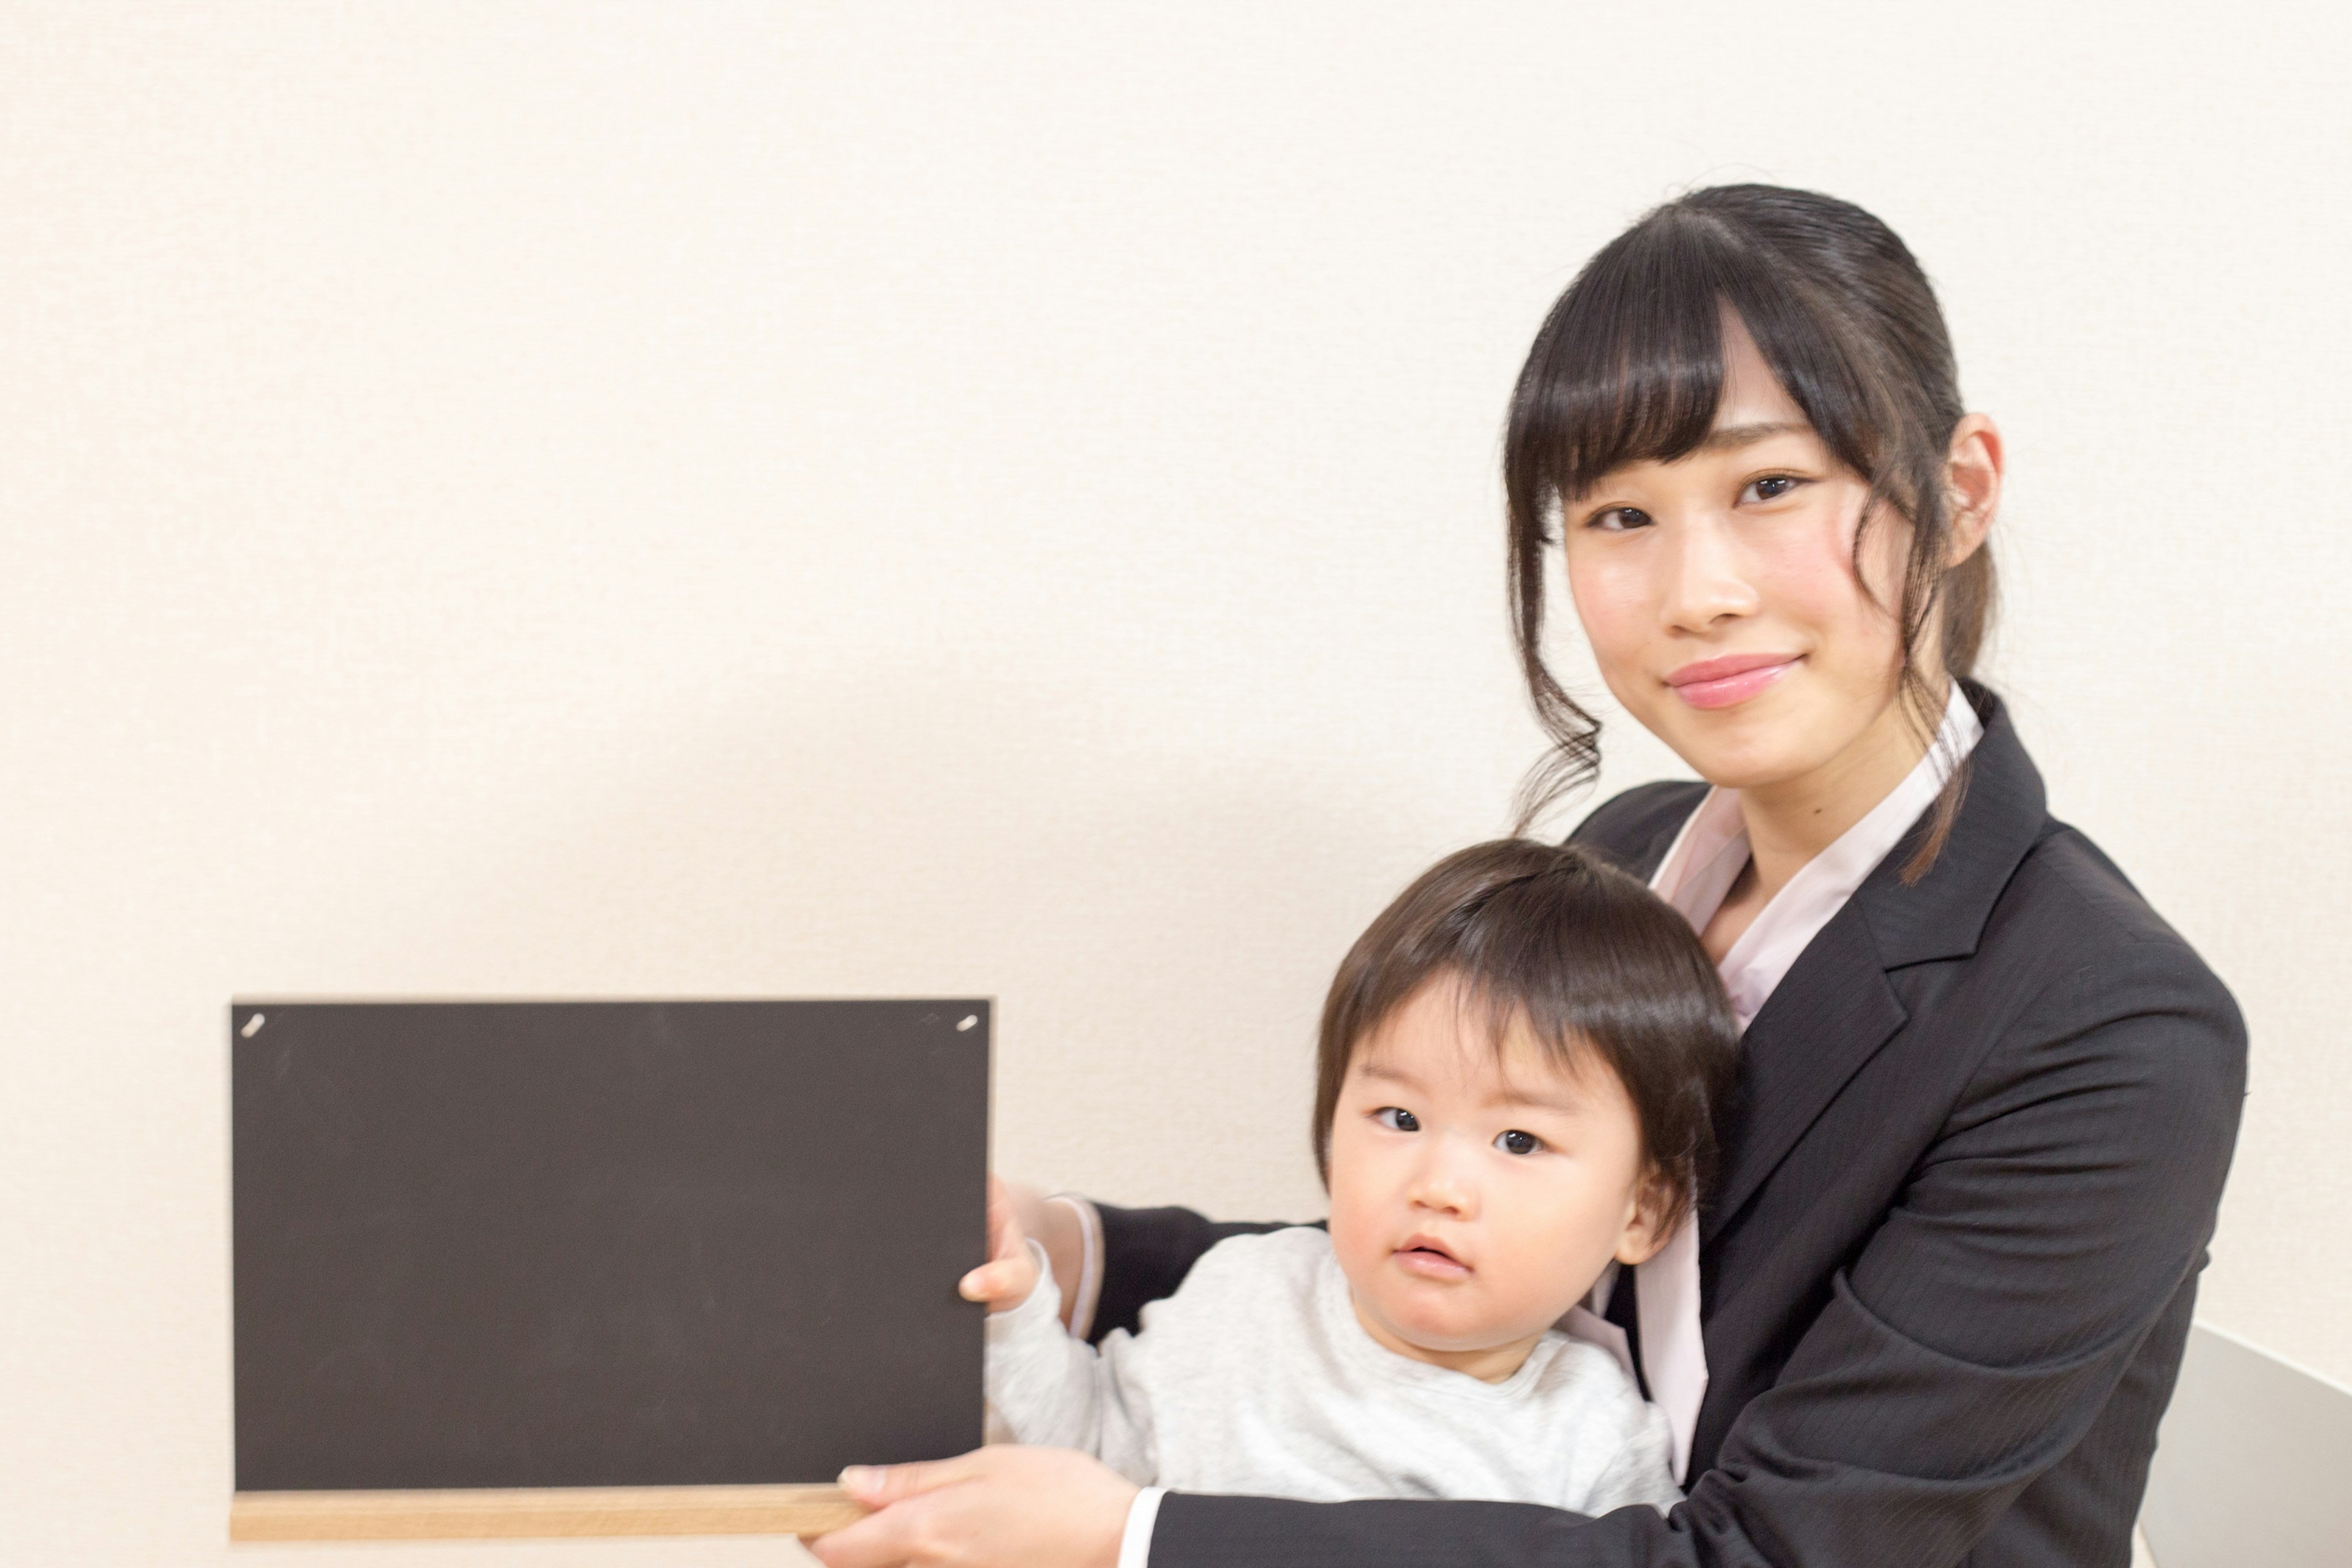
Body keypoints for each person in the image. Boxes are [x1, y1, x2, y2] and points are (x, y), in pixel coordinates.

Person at [810, 185, 2246, 1568]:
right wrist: (1072, 1247)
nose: (1696, 589)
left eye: (1768, 485)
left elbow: (1774, 1555)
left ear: (1958, 488)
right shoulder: (1628, 854)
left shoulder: (2107, 1027)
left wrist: (1135, 1537)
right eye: (1618, 515)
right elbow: (1479, 1245)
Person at [967, 840, 1737, 1515]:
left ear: (1644, 1210)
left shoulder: (1595, 1440)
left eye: (1519, 1139)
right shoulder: (1245, 1297)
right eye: (1399, 1118)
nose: (1440, 1185)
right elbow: (1085, 1458)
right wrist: (1016, 1309)